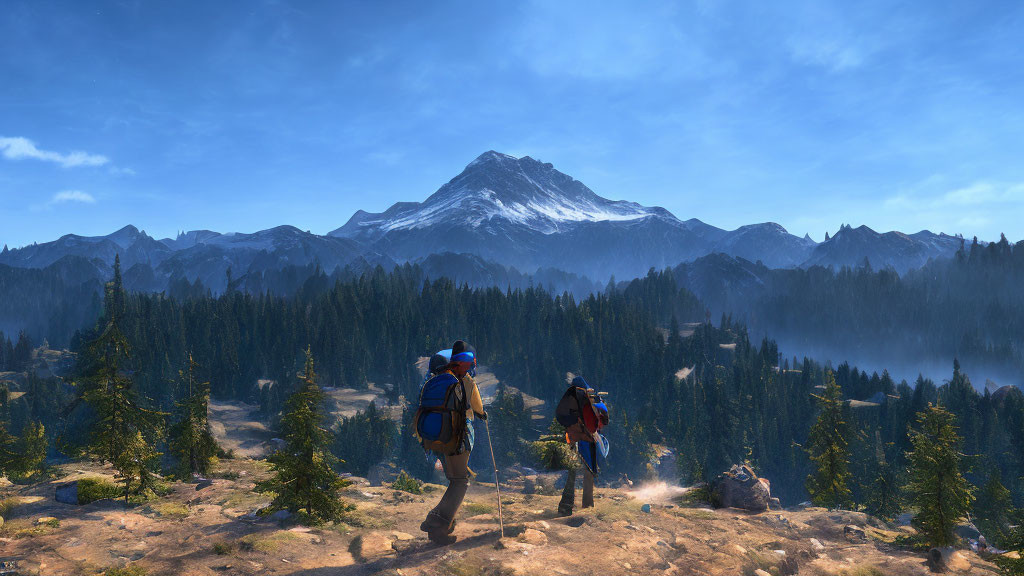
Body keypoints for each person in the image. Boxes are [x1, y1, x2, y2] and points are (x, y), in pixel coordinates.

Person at [419, 340, 486, 544]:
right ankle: (437, 523)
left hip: (440, 437)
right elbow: (478, 407)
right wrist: (483, 414)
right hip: (459, 437)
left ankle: (443, 524)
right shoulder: (465, 381)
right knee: (460, 482)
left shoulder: (438, 379)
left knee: (455, 479)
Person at [558, 384, 609, 516]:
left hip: (575, 441)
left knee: (575, 473)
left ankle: (567, 507)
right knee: (586, 473)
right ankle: (584, 506)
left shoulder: (575, 407)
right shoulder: (590, 410)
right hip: (582, 442)